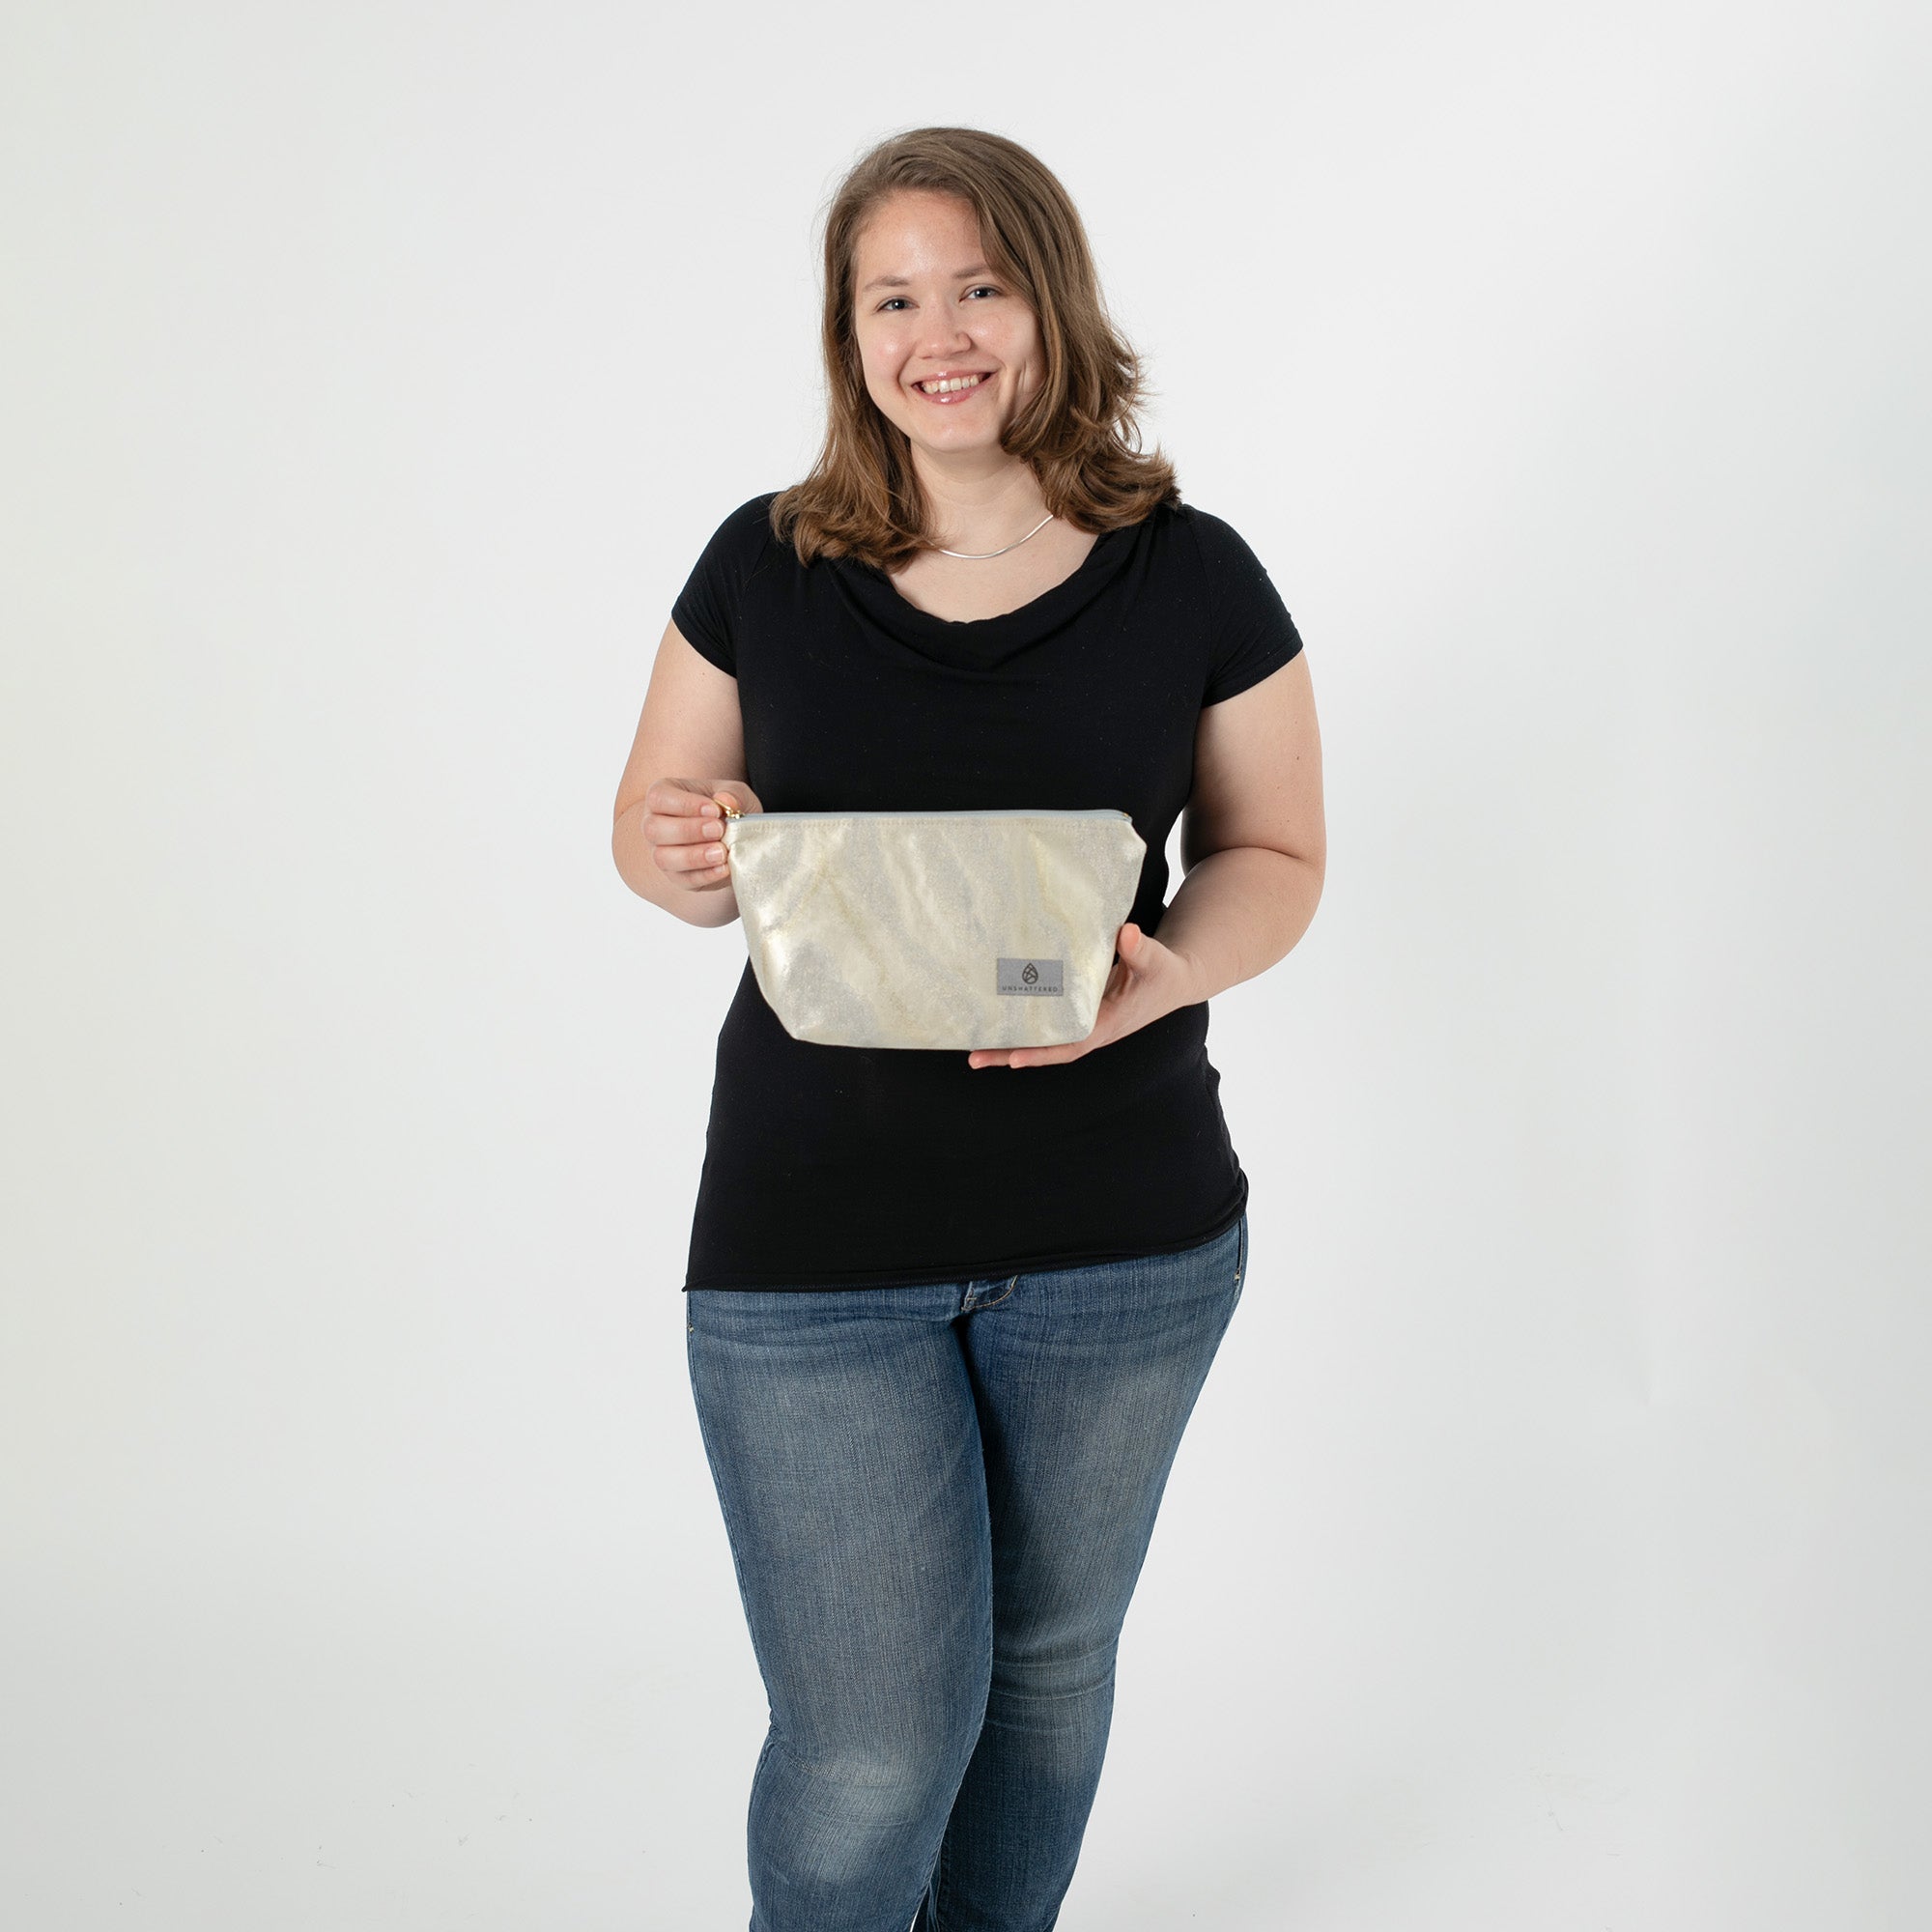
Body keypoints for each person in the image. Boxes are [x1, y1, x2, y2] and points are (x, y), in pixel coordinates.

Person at [611, 125, 1324, 1932]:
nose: (941, 331)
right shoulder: (762, 565)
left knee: (1045, 1679)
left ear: (1050, 305)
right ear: (849, 335)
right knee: (868, 1743)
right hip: (811, 1252)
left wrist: (1170, 968)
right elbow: (657, 828)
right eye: (893, 296)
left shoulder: (1197, 576)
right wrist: (687, 857)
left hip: (1125, 1241)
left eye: (980, 285)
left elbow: (1276, 851)